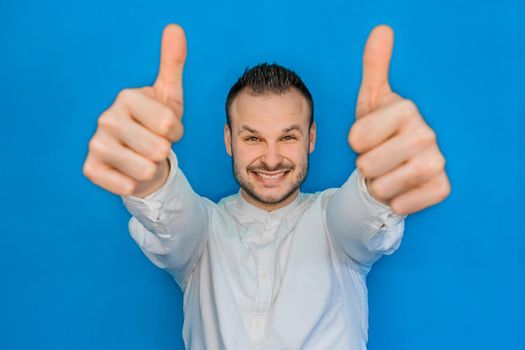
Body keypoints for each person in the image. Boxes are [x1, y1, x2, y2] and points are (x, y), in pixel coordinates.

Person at [83, 23, 451, 349]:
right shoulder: (202, 232)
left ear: (311, 138)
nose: (271, 159)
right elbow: (170, 214)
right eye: (253, 138)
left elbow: (363, 212)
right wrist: (146, 170)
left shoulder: (333, 222)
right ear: (229, 141)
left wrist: (386, 175)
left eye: (288, 137)